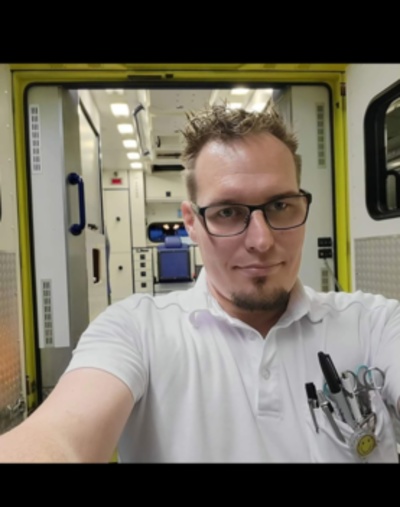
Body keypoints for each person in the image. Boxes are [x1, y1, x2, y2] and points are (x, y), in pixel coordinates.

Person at [0, 104, 399, 463]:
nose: (261, 240)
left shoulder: (374, 325)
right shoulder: (135, 332)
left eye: (280, 206)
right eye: (227, 212)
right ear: (191, 222)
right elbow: (59, 435)